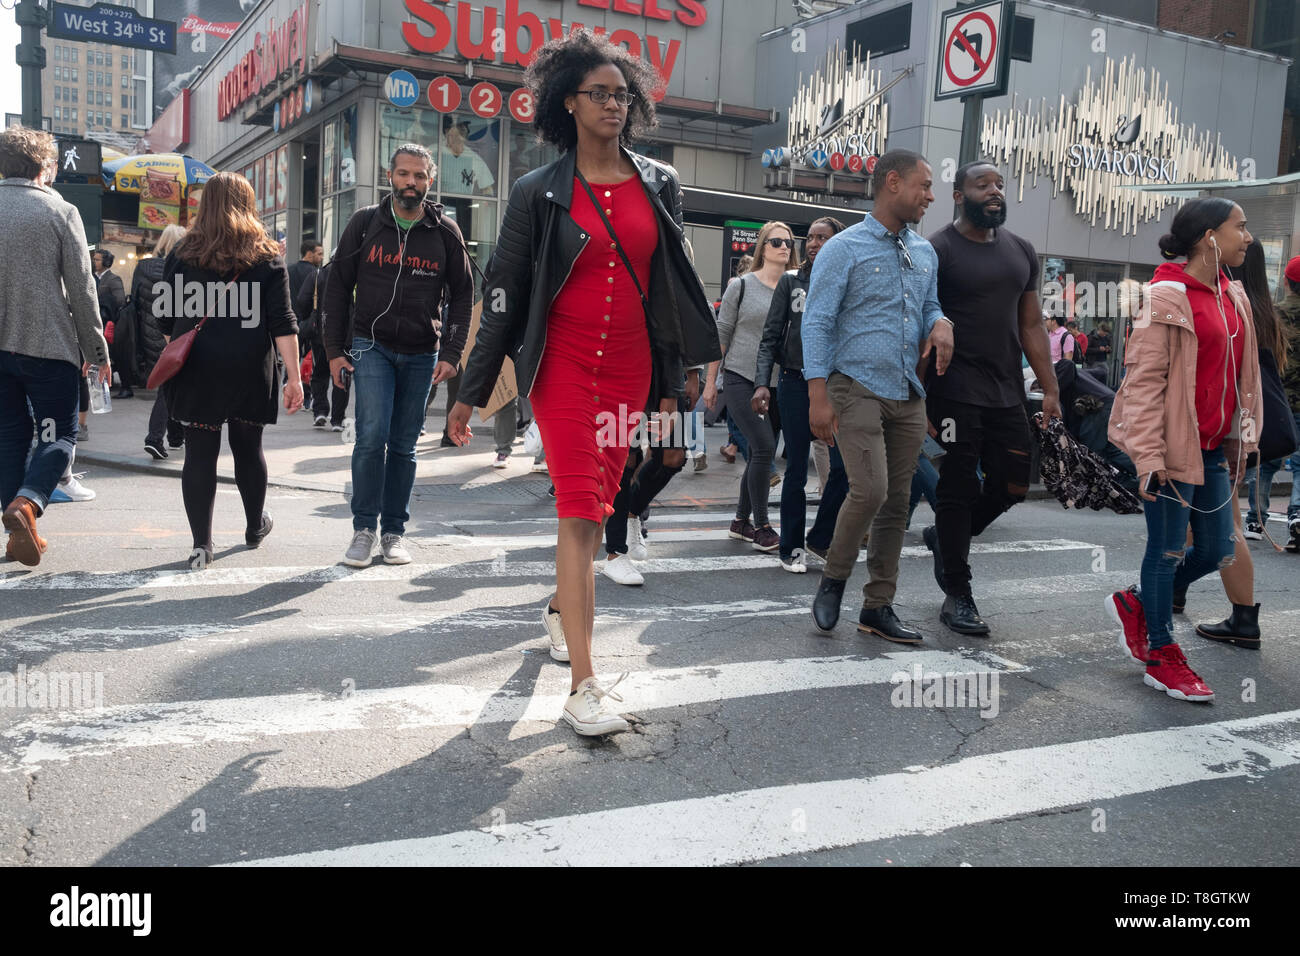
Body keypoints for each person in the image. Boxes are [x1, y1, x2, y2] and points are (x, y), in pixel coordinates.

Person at [448, 29, 720, 736]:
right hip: (563, 368)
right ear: (567, 102)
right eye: (599, 94)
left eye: (622, 95)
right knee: (580, 512)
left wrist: (671, 386)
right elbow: (503, 295)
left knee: (597, 510)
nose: (613, 106)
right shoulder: (537, 192)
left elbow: (666, 292)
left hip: (630, 371)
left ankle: (557, 609)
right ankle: (584, 686)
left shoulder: (660, 184)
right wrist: (471, 392)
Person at [1105, 197, 1262, 702]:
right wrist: (1148, 459)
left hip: (1213, 449)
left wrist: (1244, 438)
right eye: (1240, 227)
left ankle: (1136, 602)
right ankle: (1162, 654)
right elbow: (1142, 386)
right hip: (1172, 449)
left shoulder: (1232, 296)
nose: (1249, 237)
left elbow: (1247, 380)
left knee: (1217, 548)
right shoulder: (1166, 297)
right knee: (1167, 550)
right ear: (1207, 237)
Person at [802, 149, 954, 641]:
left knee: (897, 502)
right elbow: (818, 321)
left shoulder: (924, 251)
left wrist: (942, 322)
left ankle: (878, 607)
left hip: (907, 391)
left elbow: (930, 304)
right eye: (924, 186)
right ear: (893, 182)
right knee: (869, 489)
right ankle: (834, 579)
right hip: (855, 384)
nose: (931, 196)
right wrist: (817, 395)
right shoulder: (843, 249)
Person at [921, 161, 1062, 635]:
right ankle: (957, 593)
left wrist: (1051, 387)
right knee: (958, 487)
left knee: (1012, 484)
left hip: (1006, 391)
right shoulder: (936, 249)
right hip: (953, 389)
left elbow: (1031, 324)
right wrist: (918, 396)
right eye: (983, 185)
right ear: (959, 195)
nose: (995, 191)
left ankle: (944, 538)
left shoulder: (1021, 251)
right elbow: (919, 323)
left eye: (1000, 184)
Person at [324, 144, 474, 567]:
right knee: (372, 437)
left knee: (405, 445)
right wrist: (335, 351)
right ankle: (363, 529)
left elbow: (463, 295)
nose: (411, 182)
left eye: (420, 176)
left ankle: (393, 532)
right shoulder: (364, 223)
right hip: (370, 346)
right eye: (404, 174)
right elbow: (336, 288)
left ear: (430, 181)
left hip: (423, 352)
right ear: (389, 176)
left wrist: (453, 350)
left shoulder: (446, 232)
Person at [157, 172, 304, 569]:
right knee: (248, 449)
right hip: (249, 368)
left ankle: (201, 544)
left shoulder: (183, 251)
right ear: (249, 203)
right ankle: (255, 525)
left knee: (200, 454)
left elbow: (163, 316)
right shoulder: (267, 254)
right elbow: (283, 322)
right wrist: (295, 377)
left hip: (198, 369)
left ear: (206, 205)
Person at [0, 126, 110, 566]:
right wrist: (97, 353)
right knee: (59, 433)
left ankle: (17, 529)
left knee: (9, 435)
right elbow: (83, 291)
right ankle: (27, 504)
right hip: (47, 346)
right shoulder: (59, 212)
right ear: (45, 167)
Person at [1186, 240, 1294, 648]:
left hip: (1223, 431)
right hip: (1249, 430)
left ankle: (1244, 619)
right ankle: (1177, 592)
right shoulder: (1265, 312)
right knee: (1199, 514)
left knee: (1222, 522)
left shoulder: (1231, 307)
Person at [754, 216, 849, 572]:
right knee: (795, 469)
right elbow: (770, 336)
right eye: (809, 237)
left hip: (836, 386)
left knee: (843, 470)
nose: (812, 244)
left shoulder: (846, 282)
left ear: (838, 243)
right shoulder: (792, 282)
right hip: (794, 383)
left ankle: (819, 539)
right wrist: (763, 382)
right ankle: (790, 549)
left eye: (822, 238)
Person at [706, 221, 795, 554]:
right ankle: (762, 525)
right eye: (776, 241)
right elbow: (722, 333)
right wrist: (711, 382)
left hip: (775, 382)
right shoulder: (742, 286)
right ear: (763, 246)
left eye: (788, 242)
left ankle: (740, 522)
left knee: (761, 453)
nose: (783, 247)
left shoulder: (794, 285)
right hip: (741, 377)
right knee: (762, 447)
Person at [136, 224, 187, 459]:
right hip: (174, 334)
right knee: (168, 388)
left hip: (148, 335)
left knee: (172, 384)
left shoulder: (143, 266)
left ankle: (176, 437)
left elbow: (133, 300)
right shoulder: (183, 266)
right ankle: (155, 437)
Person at [295, 259, 349, 431]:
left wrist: (309, 316)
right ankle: (338, 419)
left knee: (320, 372)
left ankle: (320, 411)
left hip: (321, 332)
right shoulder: (352, 274)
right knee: (342, 374)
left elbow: (302, 300)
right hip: (345, 333)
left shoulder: (317, 275)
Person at [1278, 256, 1300, 552]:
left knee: (1266, 461)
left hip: (1279, 402)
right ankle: (1297, 513)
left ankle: (1255, 520)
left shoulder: (1274, 314)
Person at [93, 249, 132, 398]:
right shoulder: (91, 278)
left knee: (118, 354)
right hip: (96, 322)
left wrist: (101, 302)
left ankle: (126, 386)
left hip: (110, 323)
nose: (94, 262)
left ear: (106, 262)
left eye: (97, 259)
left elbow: (120, 300)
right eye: (94, 259)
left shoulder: (113, 279)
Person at [440, 117, 496, 196]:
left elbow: (487, 188)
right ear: (447, 131)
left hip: (464, 204)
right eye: (459, 126)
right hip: (439, 201)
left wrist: (485, 205)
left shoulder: (474, 157)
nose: (464, 129)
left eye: (465, 126)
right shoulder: (437, 151)